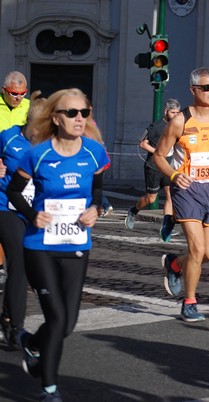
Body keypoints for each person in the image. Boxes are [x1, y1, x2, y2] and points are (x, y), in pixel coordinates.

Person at [7, 88, 109, 402]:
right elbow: (13, 191)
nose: (80, 118)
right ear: (56, 118)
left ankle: (32, 344)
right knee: (57, 318)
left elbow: (98, 193)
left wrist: (96, 210)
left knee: (67, 325)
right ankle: (49, 389)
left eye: (84, 112)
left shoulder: (94, 153)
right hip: (40, 246)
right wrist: (32, 214)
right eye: (72, 113)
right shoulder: (37, 154)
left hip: (77, 243)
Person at [153, 67, 209, 322]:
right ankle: (189, 302)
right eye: (206, 88)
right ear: (193, 90)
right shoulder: (180, 121)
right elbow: (158, 156)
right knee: (197, 248)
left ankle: (175, 264)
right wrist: (174, 175)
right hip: (186, 189)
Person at [0, 91, 45, 348]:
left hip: (30, 211)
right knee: (18, 259)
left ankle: (7, 316)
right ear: (30, 123)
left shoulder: (48, 145)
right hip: (4, 207)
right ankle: (16, 327)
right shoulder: (8, 137)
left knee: (24, 265)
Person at [124, 99, 181, 243]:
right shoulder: (156, 126)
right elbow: (142, 143)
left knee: (170, 195)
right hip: (154, 166)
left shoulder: (178, 126)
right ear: (165, 111)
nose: (175, 115)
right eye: (172, 112)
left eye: (177, 113)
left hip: (169, 166)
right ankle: (133, 211)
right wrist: (158, 152)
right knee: (151, 198)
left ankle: (167, 227)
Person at [0, 71, 30, 303]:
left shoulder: (32, 109)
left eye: (22, 93)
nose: (18, 98)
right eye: (14, 94)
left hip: (22, 181)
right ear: (4, 90)